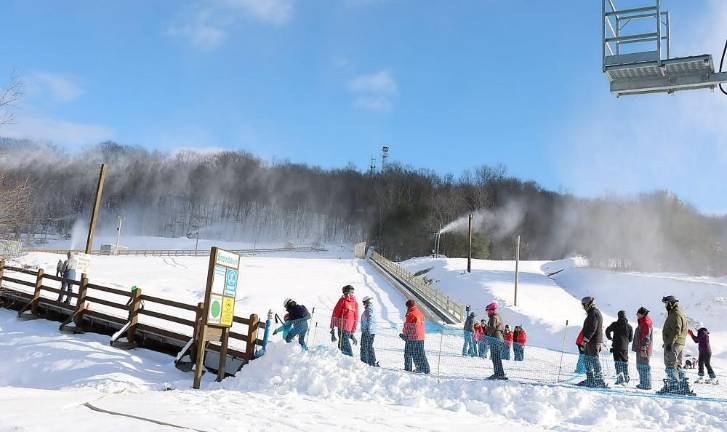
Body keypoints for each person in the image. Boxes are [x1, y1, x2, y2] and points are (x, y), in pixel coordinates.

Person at [657, 295, 694, 395]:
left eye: (666, 303)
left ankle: (673, 386)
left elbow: (677, 329)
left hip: (674, 343)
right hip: (679, 342)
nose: (665, 306)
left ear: (670, 303)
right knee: (677, 364)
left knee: (670, 364)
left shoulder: (675, 314)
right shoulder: (679, 312)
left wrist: (670, 342)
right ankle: (683, 385)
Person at [577, 296, 607, 388]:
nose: (583, 307)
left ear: (588, 304)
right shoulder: (593, 312)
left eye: (584, 305)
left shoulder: (593, 313)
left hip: (592, 341)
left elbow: (592, 328)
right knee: (588, 359)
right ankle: (591, 379)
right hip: (593, 340)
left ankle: (599, 380)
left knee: (593, 359)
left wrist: (585, 340)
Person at [401, 299, 430, 374]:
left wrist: (404, 334)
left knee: (408, 353)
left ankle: (408, 369)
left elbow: (407, 326)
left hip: (412, 337)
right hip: (421, 337)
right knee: (420, 353)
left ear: (408, 306)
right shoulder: (420, 313)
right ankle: (425, 369)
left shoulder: (410, 314)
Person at [605, 310, 633, 385]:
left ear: (618, 316)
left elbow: (607, 330)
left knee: (617, 363)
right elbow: (631, 339)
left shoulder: (615, 324)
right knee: (625, 362)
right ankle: (626, 377)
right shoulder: (629, 326)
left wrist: (609, 337)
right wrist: (626, 341)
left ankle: (620, 378)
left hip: (616, 346)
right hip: (625, 348)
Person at [330, 285, 359, 356]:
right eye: (351, 292)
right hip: (347, 326)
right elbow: (356, 317)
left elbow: (335, 313)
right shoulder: (354, 302)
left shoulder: (344, 300)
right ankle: (343, 357)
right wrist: (353, 329)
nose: (351, 294)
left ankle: (348, 357)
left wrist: (332, 326)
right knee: (342, 342)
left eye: (352, 292)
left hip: (343, 326)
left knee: (343, 342)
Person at [632, 307, 653, 390]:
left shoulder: (645, 322)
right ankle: (643, 383)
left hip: (643, 349)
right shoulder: (643, 321)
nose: (636, 315)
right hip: (641, 348)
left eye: (638, 313)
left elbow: (646, 337)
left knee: (643, 366)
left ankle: (646, 384)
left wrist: (643, 348)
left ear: (642, 314)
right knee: (641, 366)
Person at [485, 302, 507, 380]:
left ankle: (498, 374)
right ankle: (500, 373)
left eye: (488, 310)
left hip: (495, 339)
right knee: (496, 357)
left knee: (495, 357)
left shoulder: (493, 317)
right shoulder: (498, 316)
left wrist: (487, 336)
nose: (487, 312)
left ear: (492, 310)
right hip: (499, 339)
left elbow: (493, 327)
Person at [360, 296, 379, 366]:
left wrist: (368, 329)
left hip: (368, 331)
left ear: (366, 302)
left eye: (363, 302)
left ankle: (364, 361)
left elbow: (370, 319)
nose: (363, 304)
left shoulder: (368, 309)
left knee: (364, 346)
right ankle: (372, 361)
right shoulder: (371, 308)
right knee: (369, 346)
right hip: (371, 331)